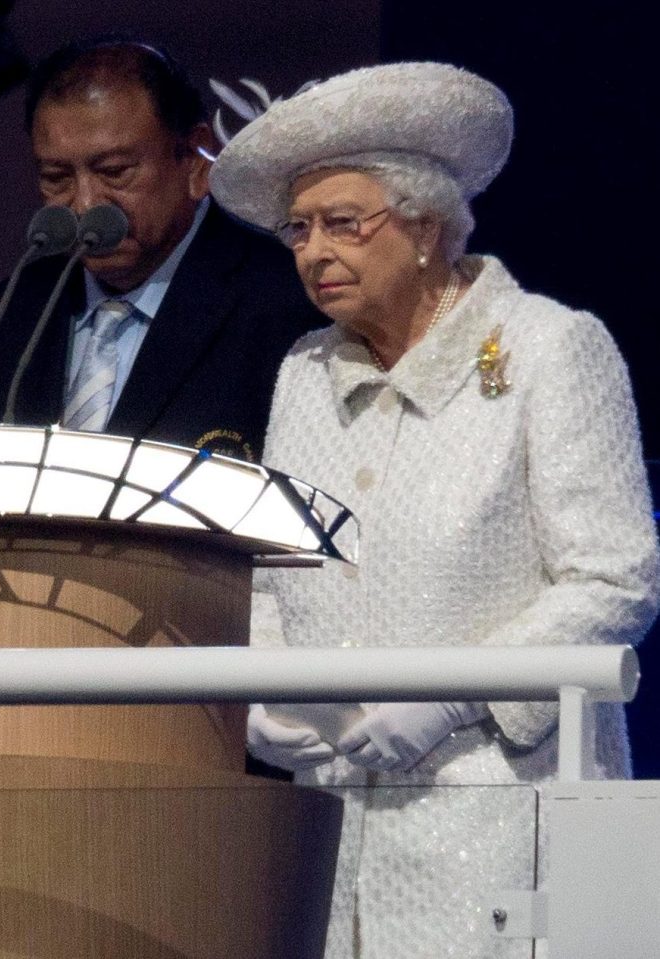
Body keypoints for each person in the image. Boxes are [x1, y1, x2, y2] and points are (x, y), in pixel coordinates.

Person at [209, 61, 660, 958]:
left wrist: (453, 693)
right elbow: (273, 566)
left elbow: (617, 579)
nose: (313, 252)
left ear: (425, 229)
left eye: (344, 223)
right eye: (299, 229)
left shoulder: (550, 349)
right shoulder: (304, 372)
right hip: (332, 822)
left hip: (502, 813)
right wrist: (269, 690)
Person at [0, 39, 325, 463]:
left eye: (114, 172)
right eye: (57, 177)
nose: (86, 204)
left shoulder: (287, 307)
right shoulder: (9, 316)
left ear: (194, 160)